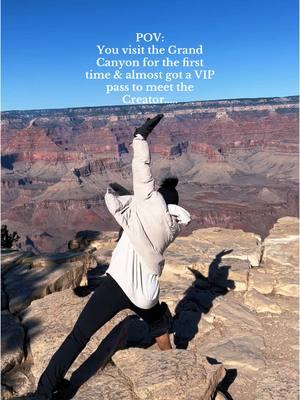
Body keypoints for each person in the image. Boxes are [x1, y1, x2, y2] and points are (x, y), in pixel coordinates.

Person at [30, 114, 191, 400]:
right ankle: (171, 358)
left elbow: (142, 168)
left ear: (158, 197)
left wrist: (140, 137)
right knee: (157, 320)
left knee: (79, 336)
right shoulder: (172, 226)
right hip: (146, 293)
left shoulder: (148, 203)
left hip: (118, 285)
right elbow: (144, 214)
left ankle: (44, 392)